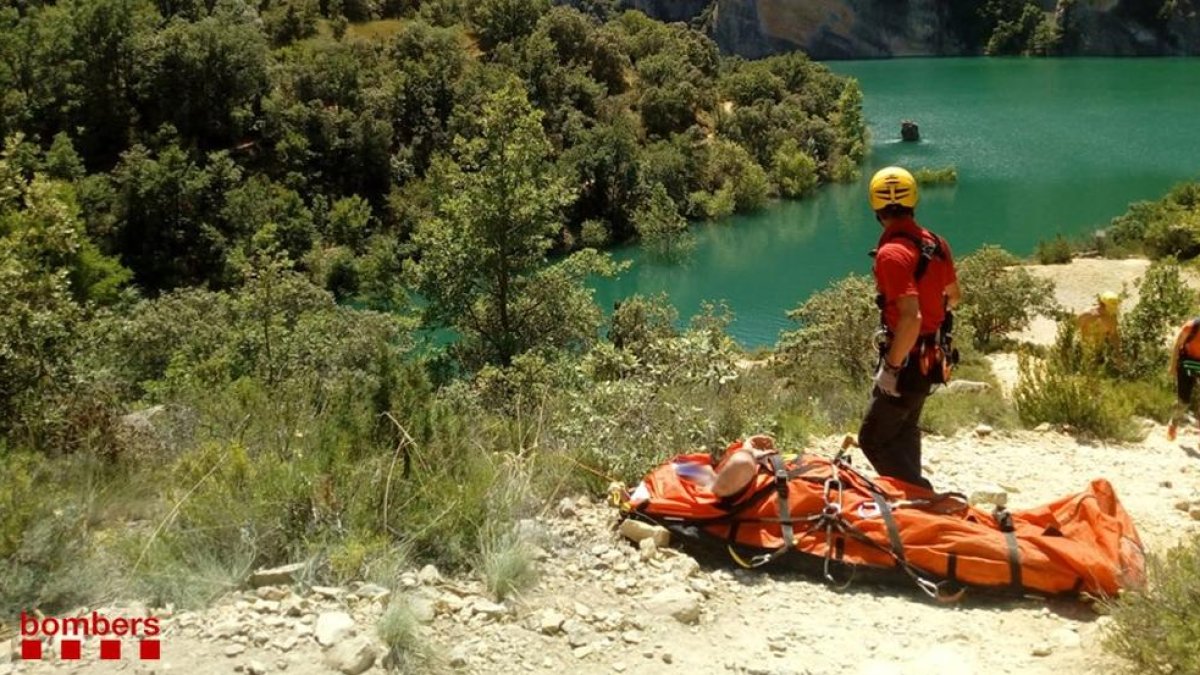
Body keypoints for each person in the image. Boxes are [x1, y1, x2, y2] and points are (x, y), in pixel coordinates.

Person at [857, 167, 961, 491]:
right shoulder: (935, 244)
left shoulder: (892, 254)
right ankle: (912, 507)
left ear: (876, 205)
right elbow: (954, 297)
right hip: (932, 356)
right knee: (904, 429)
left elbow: (910, 318)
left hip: (907, 359)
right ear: (913, 200)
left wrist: (890, 368)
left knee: (872, 439)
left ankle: (924, 498)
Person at [1168, 318, 1200, 441]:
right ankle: (1174, 423)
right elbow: (1177, 344)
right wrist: (1172, 366)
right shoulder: (1191, 326)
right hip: (1187, 361)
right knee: (1183, 401)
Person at [1076, 291, 1121, 356]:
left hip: (1099, 354)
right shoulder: (1086, 315)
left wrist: (1118, 355)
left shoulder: (1111, 319)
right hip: (1082, 352)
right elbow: (1071, 331)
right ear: (1103, 304)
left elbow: (1114, 336)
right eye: (1111, 307)